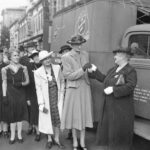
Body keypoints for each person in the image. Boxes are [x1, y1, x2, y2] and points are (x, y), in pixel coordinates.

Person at [89, 47, 137, 150]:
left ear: (123, 57)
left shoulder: (130, 70)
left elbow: (130, 86)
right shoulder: (114, 69)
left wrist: (114, 90)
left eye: (116, 55)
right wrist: (95, 70)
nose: (114, 57)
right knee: (111, 131)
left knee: (118, 132)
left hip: (121, 109)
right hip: (110, 106)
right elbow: (104, 79)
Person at [60, 35, 93, 150]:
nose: (79, 46)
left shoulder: (86, 54)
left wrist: (91, 70)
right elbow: (68, 76)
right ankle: (75, 142)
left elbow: (87, 71)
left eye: (81, 43)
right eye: (76, 44)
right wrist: (83, 69)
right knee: (74, 117)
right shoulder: (66, 57)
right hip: (73, 89)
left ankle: (82, 142)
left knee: (83, 115)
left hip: (85, 88)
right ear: (71, 45)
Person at [34, 50, 65, 149]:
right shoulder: (38, 72)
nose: (47, 60)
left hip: (57, 98)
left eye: (48, 58)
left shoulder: (57, 68)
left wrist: (62, 93)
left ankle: (56, 138)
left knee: (57, 118)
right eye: (44, 59)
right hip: (46, 99)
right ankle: (49, 139)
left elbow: (62, 81)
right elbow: (38, 88)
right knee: (48, 118)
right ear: (41, 61)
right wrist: (41, 103)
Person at [2, 49, 29, 144]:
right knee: (12, 115)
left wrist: (21, 83)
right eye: (14, 55)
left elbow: (27, 82)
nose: (17, 57)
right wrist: (4, 96)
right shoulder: (4, 69)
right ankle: (13, 135)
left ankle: (19, 135)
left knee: (20, 114)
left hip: (21, 93)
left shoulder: (24, 68)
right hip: (10, 94)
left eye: (18, 55)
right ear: (10, 57)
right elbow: (4, 83)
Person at [59, 45, 72, 140]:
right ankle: (69, 130)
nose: (65, 53)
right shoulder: (61, 65)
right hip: (64, 90)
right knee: (66, 111)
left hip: (72, 89)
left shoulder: (72, 62)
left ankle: (71, 131)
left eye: (66, 51)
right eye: (63, 52)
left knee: (72, 110)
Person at [28, 50, 41, 141]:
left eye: (37, 56)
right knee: (35, 113)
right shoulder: (30, 67)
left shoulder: (45, 66)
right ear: (32, 59)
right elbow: (28, 84)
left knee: (44, 113)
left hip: (44, 93)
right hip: (33, 93)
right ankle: (37, 132)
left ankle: (47, 132)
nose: (36, 58)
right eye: (34, 57)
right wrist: (27, 97)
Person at [0, 49, 8, 137]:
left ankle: (5, 129)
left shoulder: (6, 66)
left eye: (1, 55)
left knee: (5, 110)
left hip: (4, 91)